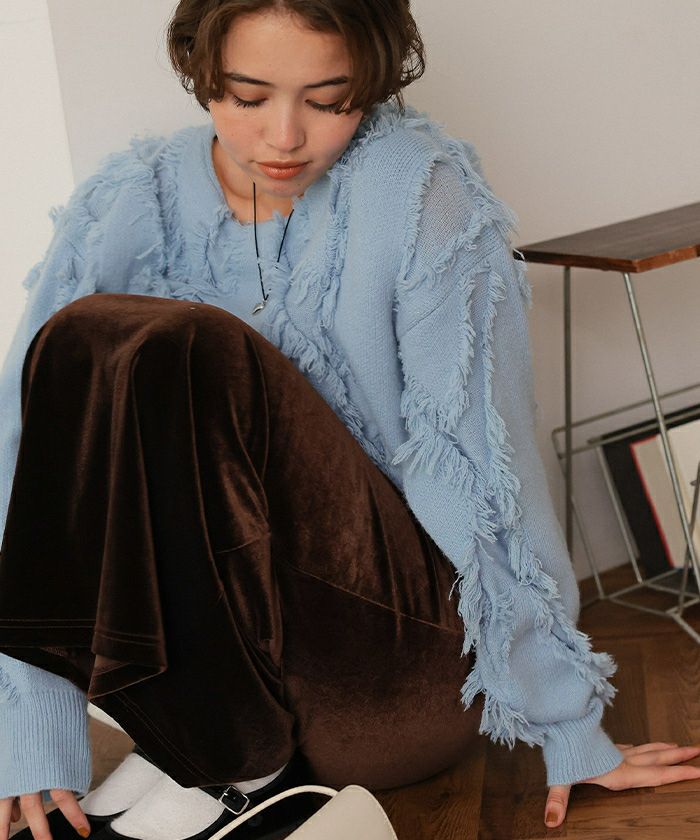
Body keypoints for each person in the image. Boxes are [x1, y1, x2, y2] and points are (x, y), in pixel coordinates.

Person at [1, 1, 700, 838]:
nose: (284, 138)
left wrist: (568, 726)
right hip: (201, 670)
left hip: (390, 672)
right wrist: (30, 730)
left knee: (189, 348)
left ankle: (226, 761)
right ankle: (196, 746)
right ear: (200, 72)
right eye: (247, 97)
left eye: (329, 101)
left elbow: (485, 463)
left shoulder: (418, 189)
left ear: (370, 85)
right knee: (84, 335)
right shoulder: (126, 201)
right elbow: (28, 460)